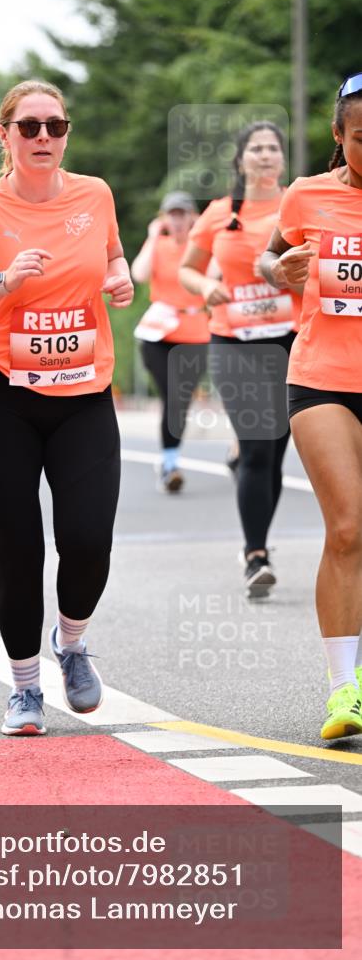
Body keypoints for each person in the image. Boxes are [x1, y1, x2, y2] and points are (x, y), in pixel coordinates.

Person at [0, 80, 133, 735]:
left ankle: (70, 644)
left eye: (55, 125)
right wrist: (4, 280)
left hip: (83, 396)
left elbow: (110, 256)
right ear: (5, 136)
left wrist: (121, 275)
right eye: (29, 127)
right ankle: (23, 691)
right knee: (21, 553)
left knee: (87, 542)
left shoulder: (93, 194)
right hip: (6, 403)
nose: (44, 137)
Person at [260, 73, 362, 740]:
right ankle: (343, 690)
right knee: (349, 528)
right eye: (361, 138)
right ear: (337, 136)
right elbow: (269, 262)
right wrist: (281, 272)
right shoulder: (306, 194)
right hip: (322, 378)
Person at [179, 121, 301, 597]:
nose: (266, 156)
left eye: (274, 148)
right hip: (234, 340)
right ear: (242, 160)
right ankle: (256, 555)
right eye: (257, 148)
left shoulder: (299, 205)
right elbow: (188, 269)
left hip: (292, 341)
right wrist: (207, 286)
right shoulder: (219, 213)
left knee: (274, 453)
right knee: (254, 445)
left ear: (283, 160)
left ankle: (258, 544)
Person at [131, 190, 209, 492]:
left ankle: (169, 458)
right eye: (171, 215)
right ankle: (170, 463)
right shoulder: (158, 246)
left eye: (182, 214)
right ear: (164, 219)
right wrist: (152, 237)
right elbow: (139, 274)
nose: (177, 221)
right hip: (159, 334)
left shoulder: (201, 247)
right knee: (173, 397)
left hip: (195, 331)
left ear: (193, 217)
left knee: (181, 400)